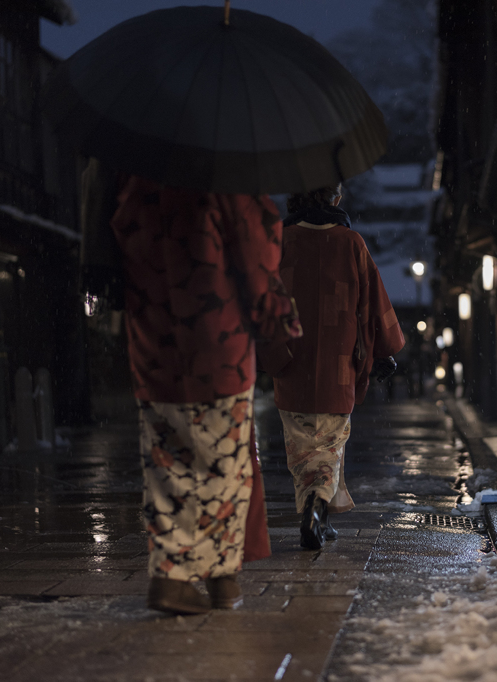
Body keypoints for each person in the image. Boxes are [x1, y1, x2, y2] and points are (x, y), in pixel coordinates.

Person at [104, 166, 302, 616]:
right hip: (217, 341)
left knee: (168, 462)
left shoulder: (134, 180)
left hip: (155, 343)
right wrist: (276, 319)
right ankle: (219, 579)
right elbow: (255, 257)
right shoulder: (225, 176)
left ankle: (172, 571)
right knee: (224, 467)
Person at [267, 183, 404, 550]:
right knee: (329, 444)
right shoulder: (351, 243)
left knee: (301, 447)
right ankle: (316, 510)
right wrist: (383, 350)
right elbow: (373, 302)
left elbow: (263, 298)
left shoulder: (280, 240)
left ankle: (314, 513)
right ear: (336, 199)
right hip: (338, 360)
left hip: (290, 358)